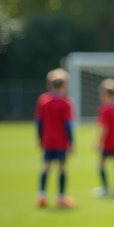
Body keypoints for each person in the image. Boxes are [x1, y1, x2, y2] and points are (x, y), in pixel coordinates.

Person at [34, 68, 75, 208]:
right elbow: (68, 125)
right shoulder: (66, 102)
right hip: (61, 141)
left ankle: (42, 195)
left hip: (47, 139)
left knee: (46, 166)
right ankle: (61, 197)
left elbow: (39, 123)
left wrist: (40, 138)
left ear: (50, 84)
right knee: (62, 168)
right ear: (64, 85)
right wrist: (71, 142)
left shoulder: (43, 100)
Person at [94, 78, 114, 198]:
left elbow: (104, 128)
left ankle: (105, 188)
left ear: (106, 94)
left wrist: (98, 142)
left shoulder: (105, 109)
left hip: (108, 141)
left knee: (101, 164)